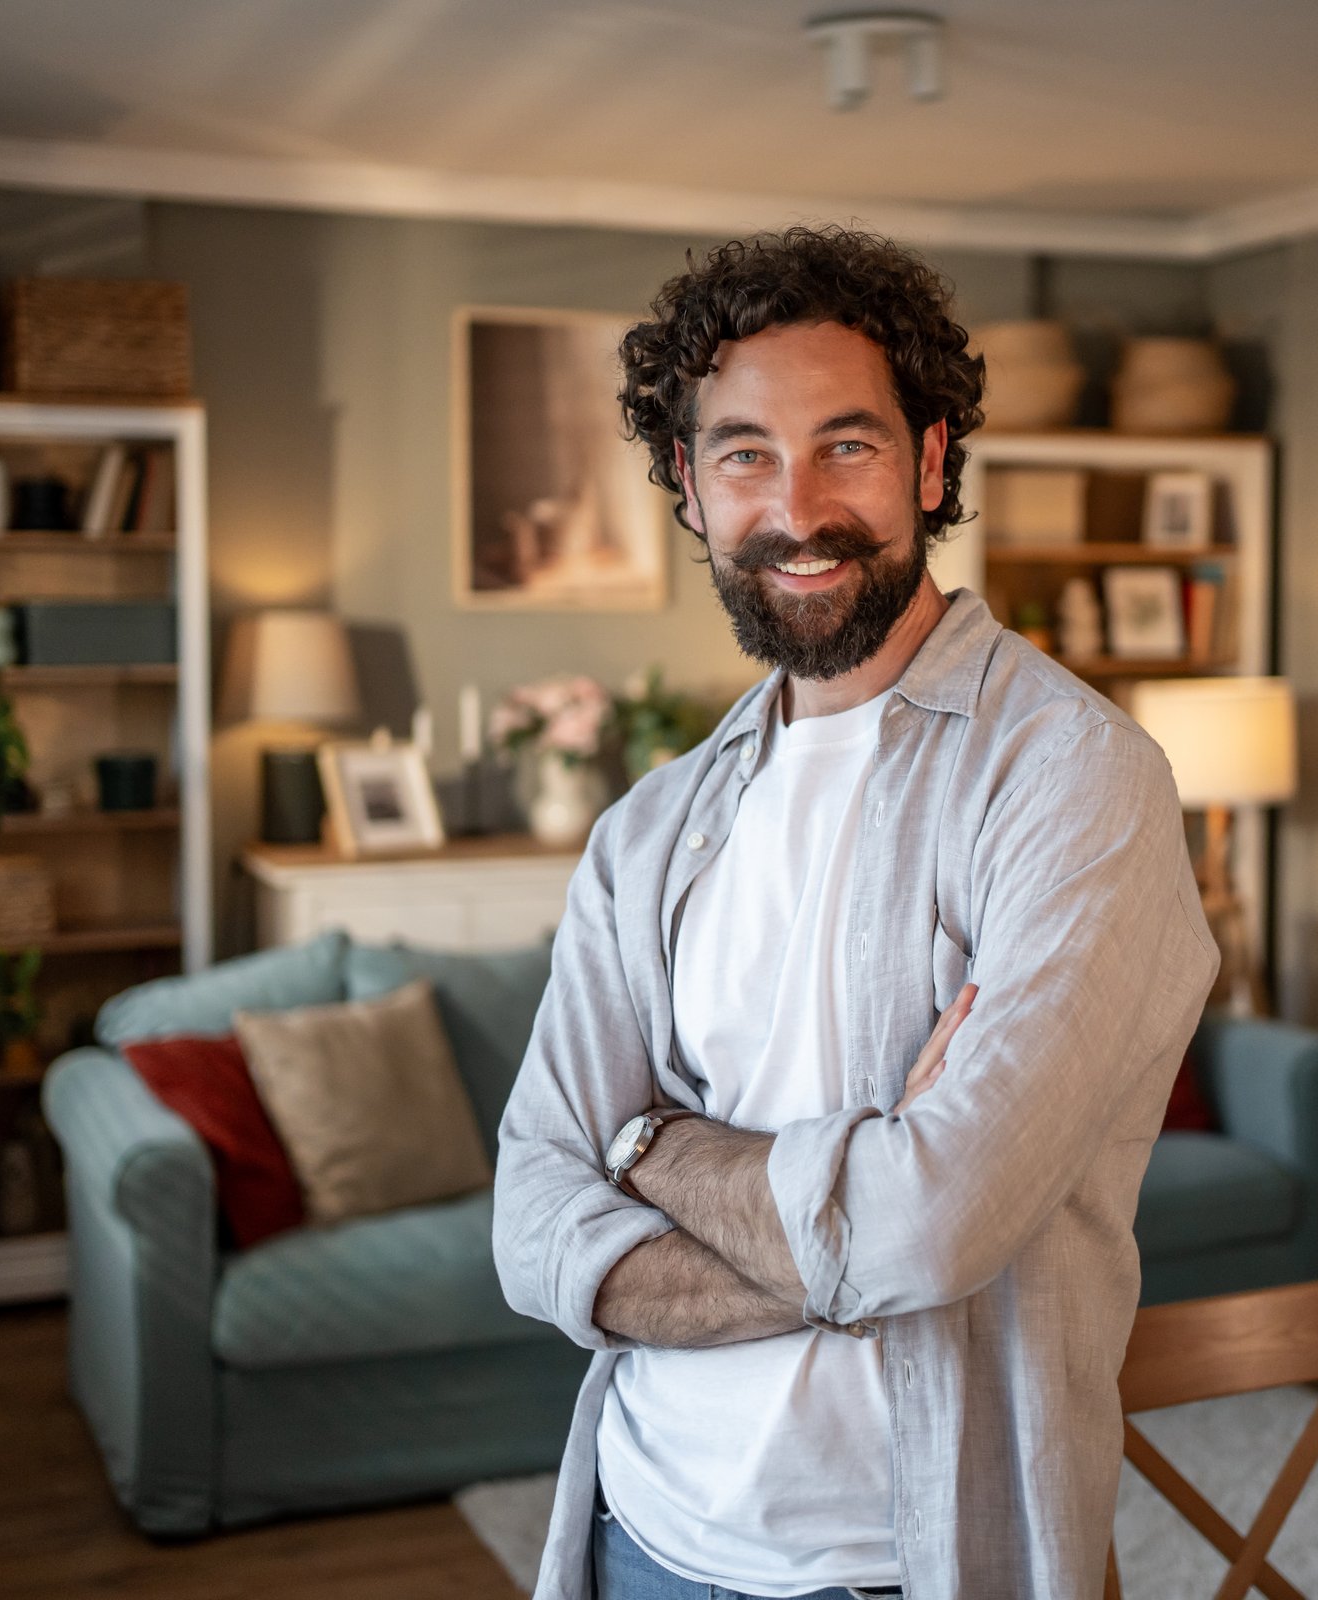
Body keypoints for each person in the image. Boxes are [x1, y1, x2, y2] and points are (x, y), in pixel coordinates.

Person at [493, 226, 1218, 1600]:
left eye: (849, 444)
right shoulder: (647, 831)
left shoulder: (1076, 779)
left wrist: (642, 1145)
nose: (797, 506)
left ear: (932, 461)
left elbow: (933, 1231)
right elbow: (530, 1223)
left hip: (918, 1564)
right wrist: (857, 1224)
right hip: (637, 1537)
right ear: (690, 492)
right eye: (744, 453)